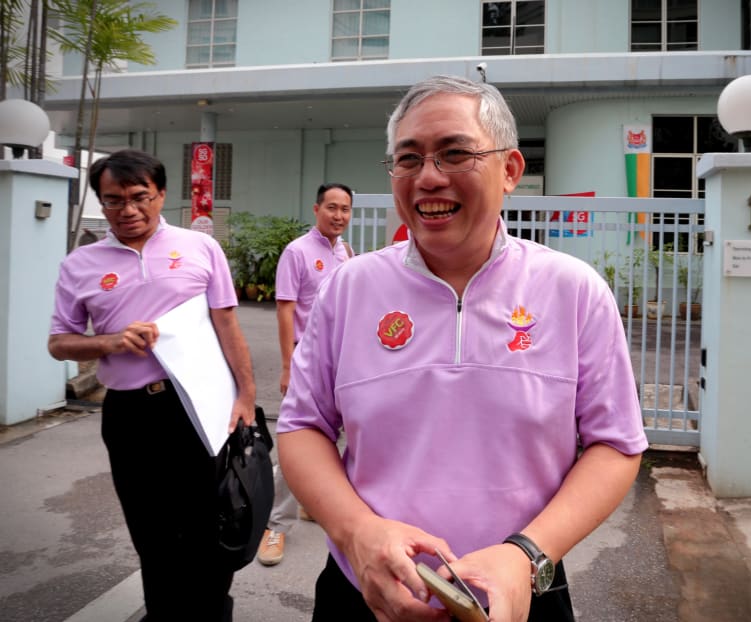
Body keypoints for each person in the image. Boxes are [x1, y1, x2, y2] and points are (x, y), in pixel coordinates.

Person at [276, 75, 648, 621]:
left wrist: (526, 555)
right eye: (408, 159)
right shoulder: (349, 289)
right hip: (366, 590)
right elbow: (302, 427)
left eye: (455, 154)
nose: (428, 177)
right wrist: (357, 532)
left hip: (524, 591)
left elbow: (615, 444)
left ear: (510, 170)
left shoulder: (573, 290)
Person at [48, 149, 256, 621]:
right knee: (152, 532)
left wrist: (246, 395)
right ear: (101, 202)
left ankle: (211, 614)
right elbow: (59, 343)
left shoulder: (200, 248)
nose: (128, 210)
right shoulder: (80, 264)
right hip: (131, 415)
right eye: (114, 200)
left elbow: (227, 325)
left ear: (161, 195)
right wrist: (111, 341)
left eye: (140, 196)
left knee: (213, 523)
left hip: (200, 406)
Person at [257, 182, 354, 566]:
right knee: (300, 438)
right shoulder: (297, 252)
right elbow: (285, 309)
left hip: (341, 358)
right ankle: (275, 525)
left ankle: (309, 502)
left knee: (335, 437)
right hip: (305, 357)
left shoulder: (345, 252)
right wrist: (287, 365)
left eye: (345, 209)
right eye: (332, 207)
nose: (338, 215)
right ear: (316, 210)